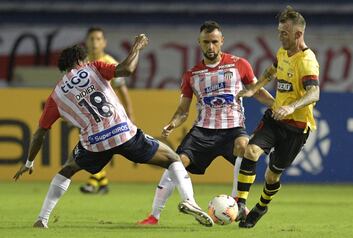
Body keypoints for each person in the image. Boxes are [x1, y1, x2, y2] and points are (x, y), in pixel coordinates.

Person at [13, 35, 214, 228]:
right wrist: (136, 47)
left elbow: (40, 132)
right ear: (81, 60)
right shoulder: (94, 67)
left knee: (67, 170)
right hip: (123, 133)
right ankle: (189, 201)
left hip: (94, 144)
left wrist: (29, 162)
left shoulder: (56, 95)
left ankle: (42, 218)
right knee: (172, 159)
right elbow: (127, 69)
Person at [138, 21, 274, 225]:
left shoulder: (239, 65)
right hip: (203, 131)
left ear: (222, 42)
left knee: (244, 147)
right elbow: (183, 111)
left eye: (214, 42)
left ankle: (238, 203)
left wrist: (277, 105)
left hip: (233, 129)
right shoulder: (191, 75)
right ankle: (154, 216)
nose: (210, 47)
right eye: (206, 42)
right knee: (175, 163)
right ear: (199, 43)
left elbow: (257, 92)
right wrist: (173, 123)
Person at [235, 6, 320, 228]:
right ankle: (241, 205)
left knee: (272, 176)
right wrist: (255, 88)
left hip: (297, 127)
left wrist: (292, 107)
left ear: (298, 34)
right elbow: (271, 71)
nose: (280, 36)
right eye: (279, 31)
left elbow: (315, 92)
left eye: (284, 32)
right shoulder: (283, 53)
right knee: (251, 151)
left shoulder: (307, 61)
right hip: (275, 119)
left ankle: (261, 207)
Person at [79, 27, 135, 194]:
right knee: (95, 147)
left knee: (95, 147)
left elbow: (122, 89)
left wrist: (130, 114)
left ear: (104, 42)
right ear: (86, 42)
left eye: (98, 39)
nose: (95, 43)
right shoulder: (82, 63)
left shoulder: (110, 62)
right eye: (91, 39)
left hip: (107, 114)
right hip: (88, 114)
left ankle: (94, 181)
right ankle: (101, 182)